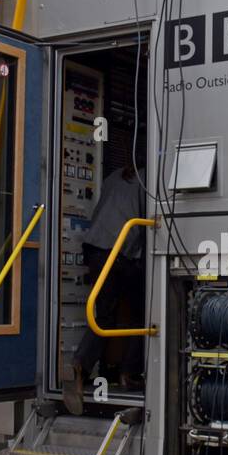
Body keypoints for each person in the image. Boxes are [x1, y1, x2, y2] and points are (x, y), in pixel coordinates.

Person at [62, 161, 146, 414]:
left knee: (105, 316)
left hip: (95, 249)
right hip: (119, 252)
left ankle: (82, 365)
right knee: (145, 314)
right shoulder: (148, 179)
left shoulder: (113, 174)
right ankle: (127, 373)